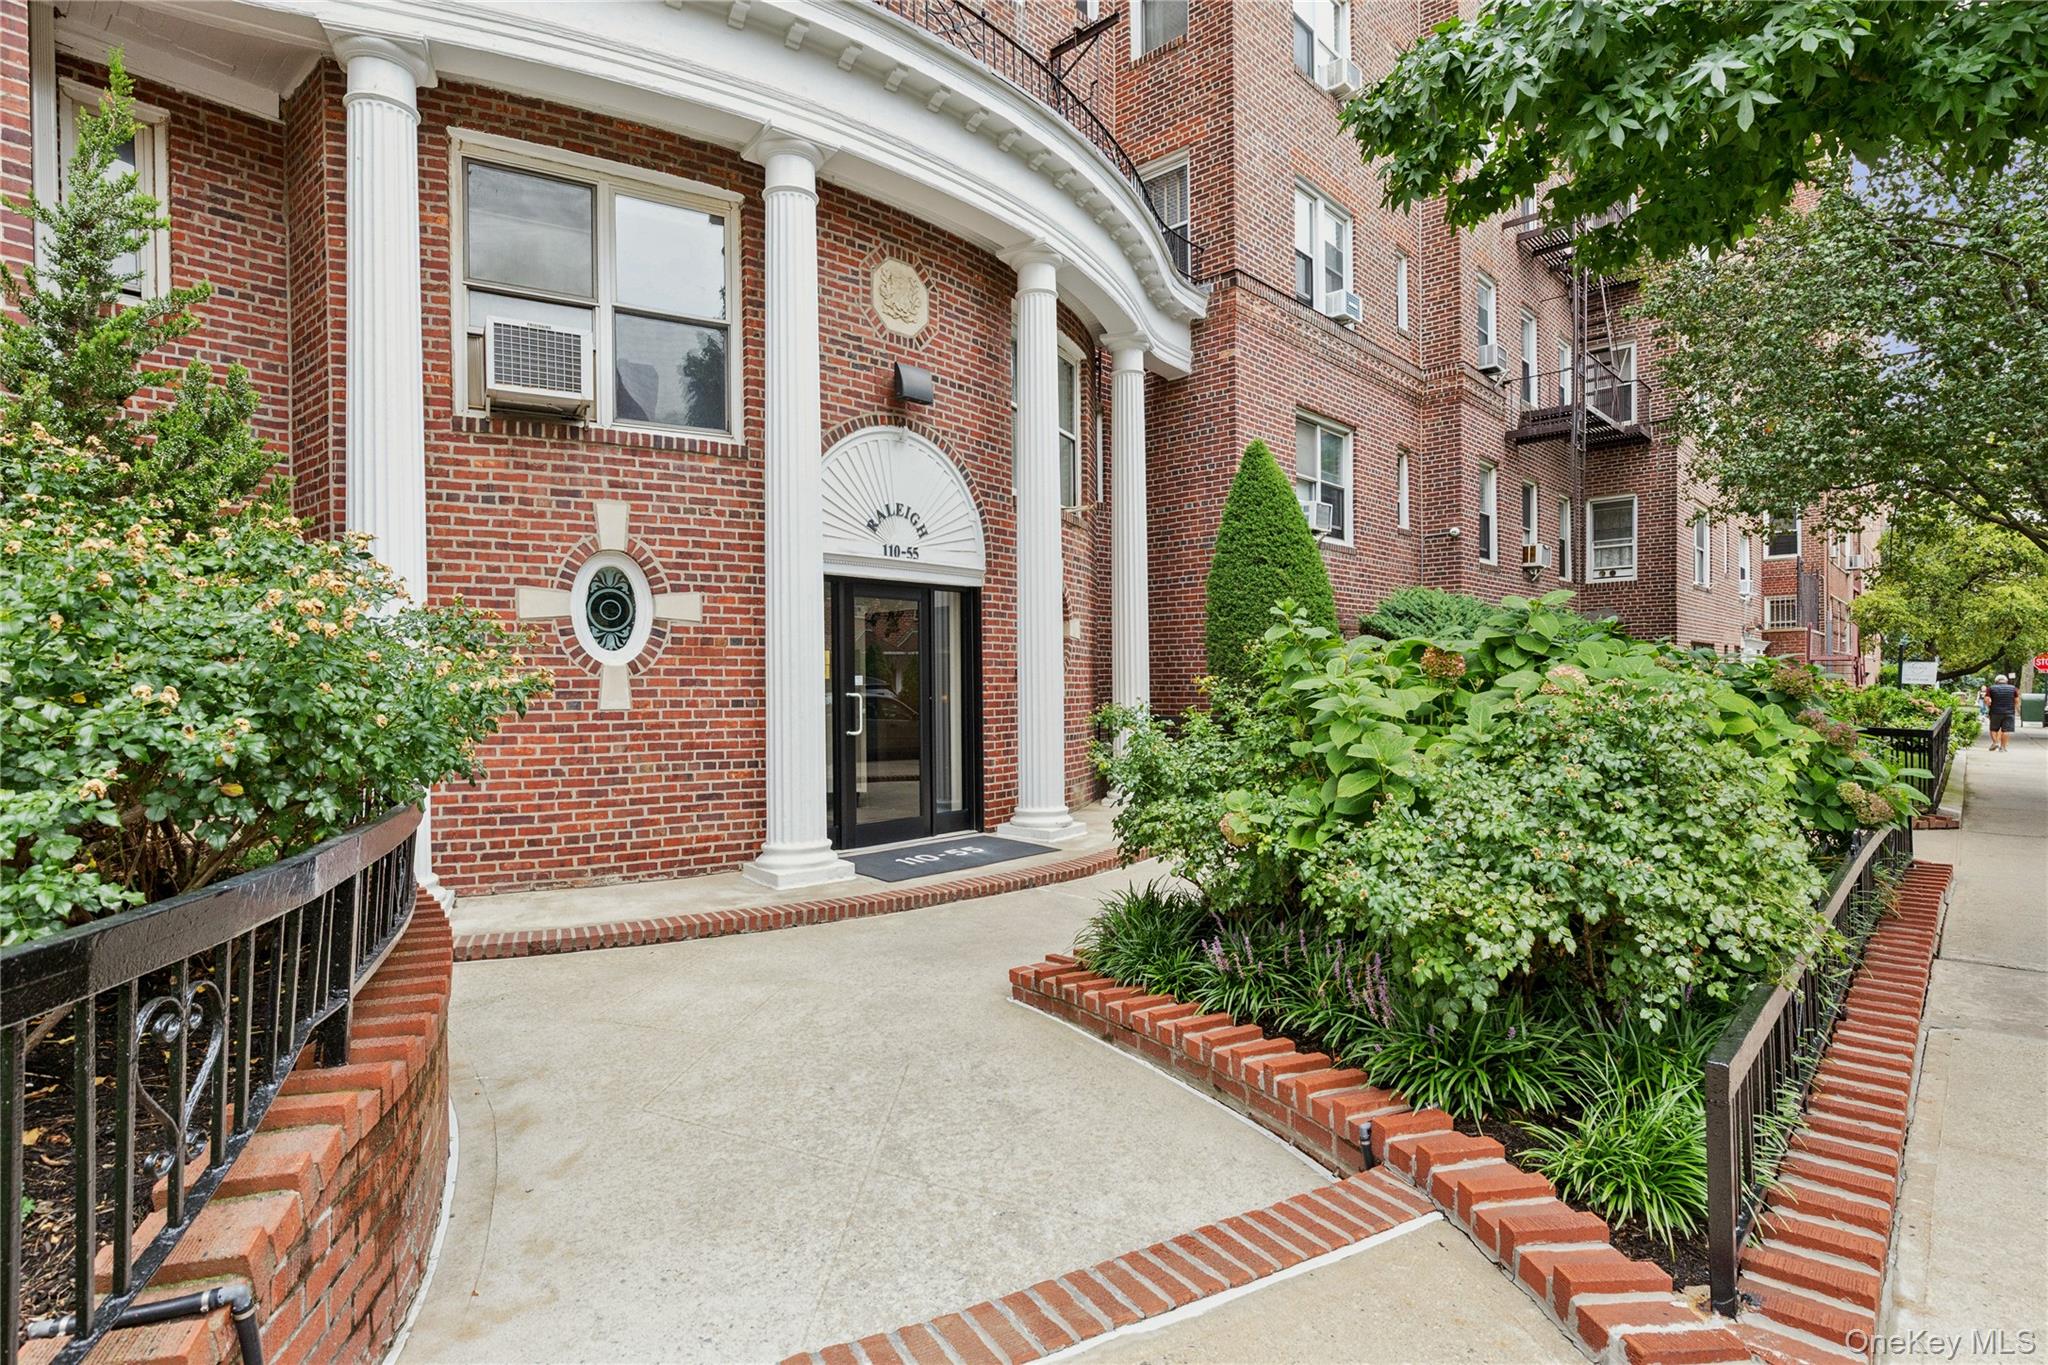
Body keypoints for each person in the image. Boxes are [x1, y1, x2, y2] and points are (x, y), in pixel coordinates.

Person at [1984, 673, 2019, 752]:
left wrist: (1988, 706)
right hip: (2009, 712)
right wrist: (2014, 709)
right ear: (2006, 681)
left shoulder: (1991, 688)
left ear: (1996, 681)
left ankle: (1995, 742)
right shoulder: (2013, 688)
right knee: (2006, 730)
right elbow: (2016, 701)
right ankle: (2003, 748)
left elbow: (1987, 700)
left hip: (1995, 712)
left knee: (1993, 729)